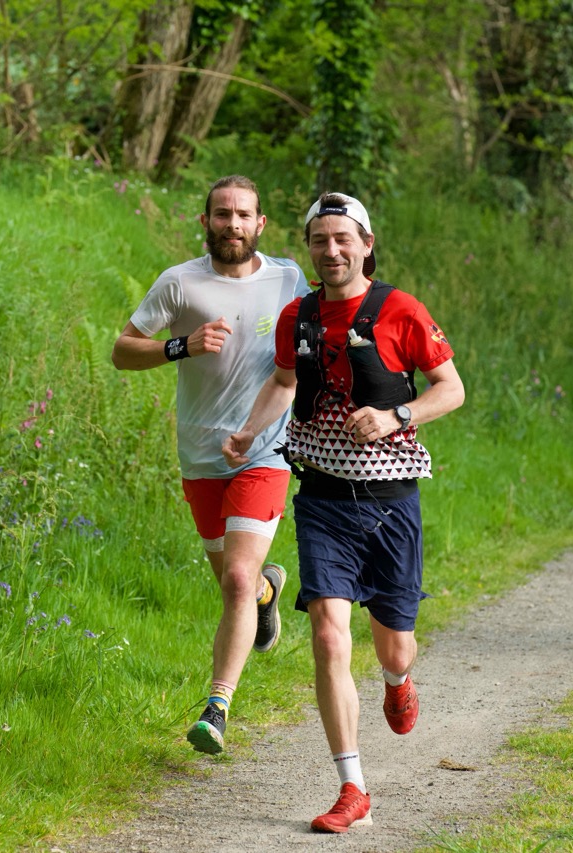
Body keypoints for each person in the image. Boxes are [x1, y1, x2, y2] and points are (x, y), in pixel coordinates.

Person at [223, 192, 464, 832]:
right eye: (319, 241)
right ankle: (352, 787)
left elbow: (451, 389)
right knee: (329, 634)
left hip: (391, 505)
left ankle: (397, 680)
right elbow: (284, 382)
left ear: (366, 244)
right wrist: (248, 431)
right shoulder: (297, 316)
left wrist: (396, 415)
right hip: (324, 499)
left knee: (395, 648)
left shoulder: (401, 311)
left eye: (342, 240)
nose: (330, 252)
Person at [111, 175, 310, 755]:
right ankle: (268, 595)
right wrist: (181, 345)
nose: (233, 224)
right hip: (200, 456)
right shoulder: (180, 283)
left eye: (243, 214)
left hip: (265, 452)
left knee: (237, 579)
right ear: (205, 221)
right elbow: (122, 351)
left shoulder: (289, 280)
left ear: (260, 223)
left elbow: (310, 352)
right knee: (235, 584)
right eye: (222, 214)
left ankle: (217, 708)